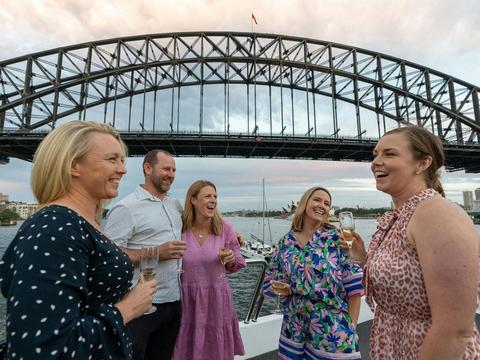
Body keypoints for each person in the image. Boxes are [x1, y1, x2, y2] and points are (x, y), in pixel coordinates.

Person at [0, 120, 157, 359]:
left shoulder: (84, 223)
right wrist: (127, 309)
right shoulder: (56, 226)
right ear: (74, 166)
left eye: (122, 160)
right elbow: (42, 349)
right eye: (112, 159)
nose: (123, 170)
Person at [348, 125, 480, 359]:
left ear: (422, 163)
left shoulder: (437, 214)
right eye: (375, 154)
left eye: (389, 154)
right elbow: (410, 278)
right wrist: (364, 260)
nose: (376, 161)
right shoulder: (404, 215)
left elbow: (455, 331)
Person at [262, 186, 364, 359]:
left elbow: (354, 290)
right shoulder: (286, 242)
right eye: (317, 200)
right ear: (304, 203)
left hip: (332, 330)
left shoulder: (337, 238)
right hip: (294, 326)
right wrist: (284, 289)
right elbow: (271, 280)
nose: (322, 205)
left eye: (327, 203)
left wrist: (351, 329)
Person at [103, 149, 186, 360]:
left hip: (174, 300)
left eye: (174, 169)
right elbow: (110, 257)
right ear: (147, 168)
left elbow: (200, 226)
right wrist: (157, 253)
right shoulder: (126, 207)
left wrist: (231, 236)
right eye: (166, 168)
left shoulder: (174, 205)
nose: (171, 174)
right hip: (141, 306)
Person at [172, 180, 246, 360]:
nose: (213, 200)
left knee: (215, 347)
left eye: (215, 196)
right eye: (207, 196)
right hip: (187, 299)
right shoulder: (179, 227)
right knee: (185, 346)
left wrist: (230, 259)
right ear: (193, 200)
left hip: (216, 298)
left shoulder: (225, 228)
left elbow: (238, 260)